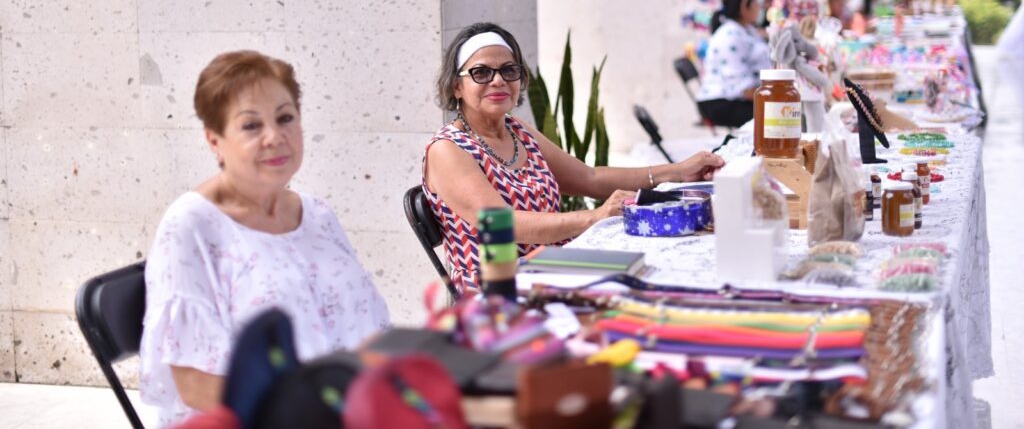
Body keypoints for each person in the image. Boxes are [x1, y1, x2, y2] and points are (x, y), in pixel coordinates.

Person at [139, 51, 389, 427]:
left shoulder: (317, 215)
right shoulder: (191, 226)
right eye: (251, 125)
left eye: (285, 118)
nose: (275, 137)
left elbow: (365, 328)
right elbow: (193, 385)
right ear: (214, 140)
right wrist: (313, 411)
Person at [422, 23, 725, 293]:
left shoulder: (517, 130)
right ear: (456, 86)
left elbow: (589, 178)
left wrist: (677, 172)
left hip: (555, 267)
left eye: (508, 70)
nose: (498, 80)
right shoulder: (448, 149)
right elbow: (503, 224)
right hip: (499, 290)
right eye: (481, 73)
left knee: (666, 270)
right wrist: (594, 216)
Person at [696, 0, 772, 128]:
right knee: (779, 116)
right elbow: (742, 87)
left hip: (739, 99)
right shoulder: (730, 36)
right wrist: (775, 98)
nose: (759, 6)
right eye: (755, 2)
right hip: (721, 102)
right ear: (744, 8)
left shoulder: (746, 30)